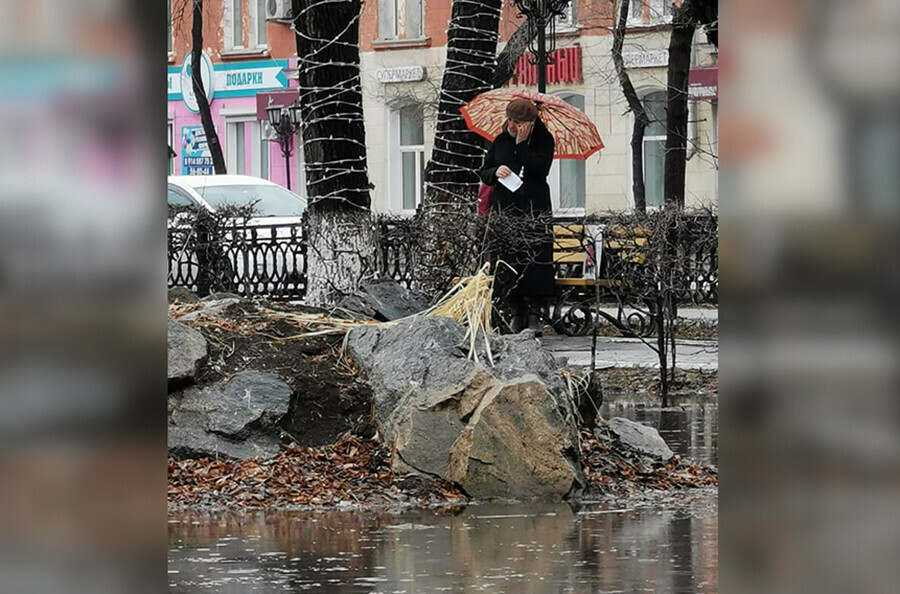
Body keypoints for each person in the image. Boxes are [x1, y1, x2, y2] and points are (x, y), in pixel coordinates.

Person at [479, 98, 555, 335]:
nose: (513, 126)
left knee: (534, 261)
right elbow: (484, 171)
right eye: (511, 121)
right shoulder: (500, 141)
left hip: (533, 209)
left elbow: (540, 170)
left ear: (530, 123)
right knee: (508, 261)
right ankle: (515, 310)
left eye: (519, 123)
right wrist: (495, 172)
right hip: (506, 210)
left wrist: (522, 146)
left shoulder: (544, 140)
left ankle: (534, 313)